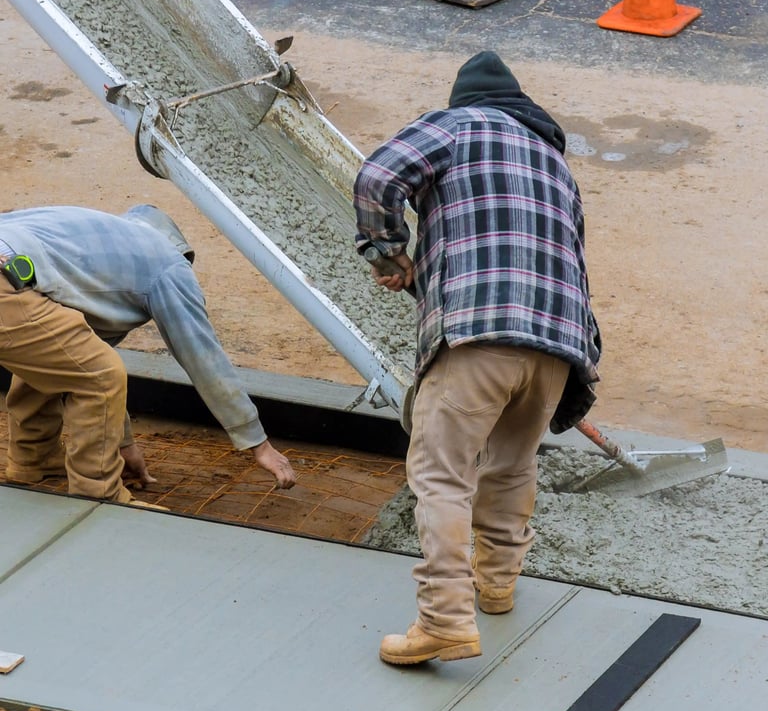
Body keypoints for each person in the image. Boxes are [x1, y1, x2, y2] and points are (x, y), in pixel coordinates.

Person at [353, 51, 601, 665]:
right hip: (555, 348)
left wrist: (389, 254)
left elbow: (379, 176)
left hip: (477, 334)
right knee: (512, 466)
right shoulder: (556, 167)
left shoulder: (458, 125)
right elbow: (572, 263)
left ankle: (443, 619)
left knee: (441, 475)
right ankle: (495, 586)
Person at [0, 204, 296, 507]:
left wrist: (123, 445)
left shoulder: (91, 243)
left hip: (10, 269)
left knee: (55, 356)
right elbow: (204, 358)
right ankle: (98, 495)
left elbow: (68, 357)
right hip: (5, 278)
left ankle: (34, 460)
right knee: (101, 378)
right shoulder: (167, 264)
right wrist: (259, 444)